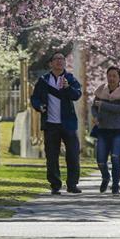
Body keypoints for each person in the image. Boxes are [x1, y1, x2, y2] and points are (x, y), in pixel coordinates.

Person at [30, 52, 83, 195]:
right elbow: (34, 98)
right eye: (56, 59)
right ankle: (55, 184)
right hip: (51, 124)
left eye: (62, 58)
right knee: (52, 155)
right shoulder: (43, 80)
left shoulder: (70, 78)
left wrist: (67, 87)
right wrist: (39, 106)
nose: (60, 61)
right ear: (50, 63)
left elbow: (77, 95)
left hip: (68, 123)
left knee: (72, 154)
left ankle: (72, 184)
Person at [92, 66, 120, 195]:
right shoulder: (101, 90)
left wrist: (103, 105)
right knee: (101, 160)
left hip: (118, 130)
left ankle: (115, 185)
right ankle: (105, 177)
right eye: (110, 75)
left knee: (115, 158)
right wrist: (96, 116)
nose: (112, 78)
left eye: (115, 76)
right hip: (103, 129)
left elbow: (119, 109)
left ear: (119, 78)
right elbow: (94, 107)